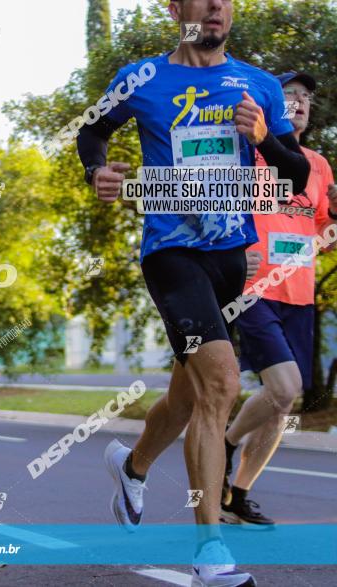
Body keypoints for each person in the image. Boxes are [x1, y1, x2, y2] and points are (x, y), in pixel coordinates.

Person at [79, 1, 311, 585]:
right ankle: (210, 549)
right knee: (223, 384)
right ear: (175, 8)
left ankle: (131, 467)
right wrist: (97, 172)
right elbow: (91, 131)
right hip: (171, 254)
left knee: (189, 397)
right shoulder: (142, 78)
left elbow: (296, 176)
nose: (215, 8)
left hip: (230, 259)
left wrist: (262, 136)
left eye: (225, 0)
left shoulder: (257, 84)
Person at [222, 71, 337, 527]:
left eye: (306, 97)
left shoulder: (318, 165)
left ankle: (238, 494)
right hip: (255, 288)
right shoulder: (248, 152)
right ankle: (226, 446)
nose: (299, 102)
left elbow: (324, 234)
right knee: (285, 387)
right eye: (289, 94)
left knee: (283, 401)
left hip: (300, 294)